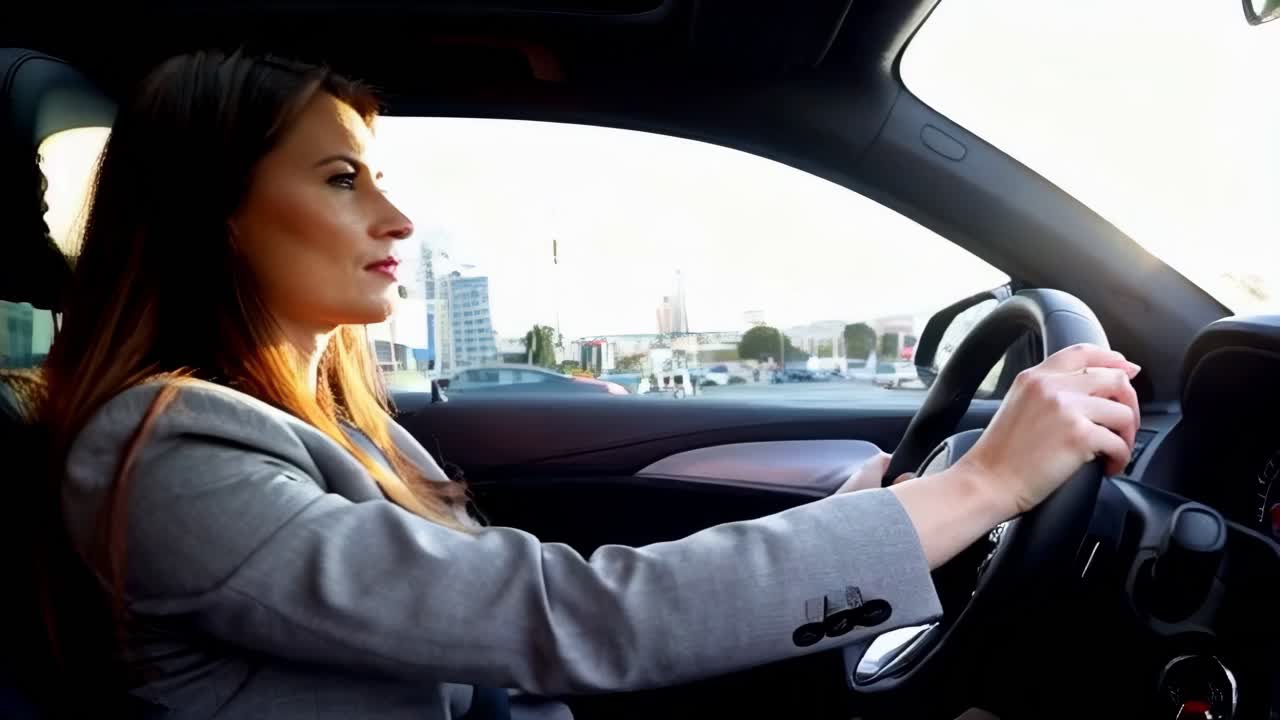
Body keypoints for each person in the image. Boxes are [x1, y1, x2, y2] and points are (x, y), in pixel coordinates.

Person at [32, 50, 1141, 719]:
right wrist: (978, 487)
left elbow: (515, 611)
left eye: (378, 177)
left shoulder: (333, 424)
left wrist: (867, 517)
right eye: (339, 178)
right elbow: (556, 616)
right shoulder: (167, 452)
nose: (398, 218)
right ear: (213, 215)